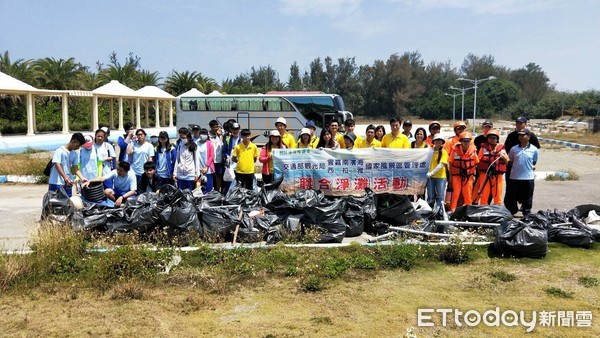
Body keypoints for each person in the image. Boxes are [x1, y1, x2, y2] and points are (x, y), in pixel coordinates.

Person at [504, 130, 539, 216]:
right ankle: (512, 211)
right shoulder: (514, 149)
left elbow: (534, 162)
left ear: (529, 137)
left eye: (523, 135)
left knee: (527, 197)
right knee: (512, 196)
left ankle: (526, 212)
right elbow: (511, 161)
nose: (521, 137)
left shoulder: (534, 149)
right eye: (519, 135)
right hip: (514, 177)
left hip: (528, 177)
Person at [475, 129, 508, 205]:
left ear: (497, 139)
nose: (492, 139)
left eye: (494, 138)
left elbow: (506, 161)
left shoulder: (502, 149)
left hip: (497, 175)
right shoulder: (483, 149)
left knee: (497, 193)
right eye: (490, 138)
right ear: (487, 139)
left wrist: (503, 156)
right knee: (484, 194)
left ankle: (497, 209)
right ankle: (484, 209)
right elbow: (478, 162)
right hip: (485, 174)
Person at [48, 132, 86, 197]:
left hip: (67, 182)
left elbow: (76, 168)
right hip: (56, 182)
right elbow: (57, 164)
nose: (78, 148)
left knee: (67, 203)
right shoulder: (60, 151)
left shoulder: (75, 153)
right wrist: (64, 177)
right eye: (77, 145)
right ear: (73, 141)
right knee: (54, 202)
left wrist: (82, 178)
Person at [448, 131, 479, 211]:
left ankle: (468, 212)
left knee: (468, 195)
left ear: (470, 141)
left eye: (467, 141)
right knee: (455, 195)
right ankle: (452, 211)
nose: (466, 143)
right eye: (464, 141)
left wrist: (475, 175)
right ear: (460, 141)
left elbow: (476, 163)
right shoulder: (454, 150)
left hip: (468, 177)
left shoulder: (473, 151)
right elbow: (450, 163)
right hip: (456, 176)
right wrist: (450, 177)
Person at [426, 135, 449, 219]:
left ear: (442, 142)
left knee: (440, 196)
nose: (438, 142)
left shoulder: (444, 152)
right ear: (434, 141)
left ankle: (439, 212)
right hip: (430, 177)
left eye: (440, 140)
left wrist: (431, 173)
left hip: (440, 177)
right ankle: (430, 212)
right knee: (430, 196)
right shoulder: (430, 151)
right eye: (436, 140)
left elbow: (441, 164)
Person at [221, 122, 242, 194]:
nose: (235, 131)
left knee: (239, 183)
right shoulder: (228, 140)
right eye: (234, 129)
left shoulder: (243, 140)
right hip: (230, 165)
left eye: (237, 129)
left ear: (239, 129)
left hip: (240, 165)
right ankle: (228, 197)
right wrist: (227, 156)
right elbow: (224, 151)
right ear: (231, 130)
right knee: (229, 183)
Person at [197, 128, 215, 193]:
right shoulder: (196, 143)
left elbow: (211, 156)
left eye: (204, 134)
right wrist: (197, 167)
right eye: (201, 133)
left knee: (208, 186)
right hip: (198, 168)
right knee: (199, 187)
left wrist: (206, 166)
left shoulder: (210, 143)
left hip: (208, 168)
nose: (203, 135)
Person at [209, 120, 224, 193]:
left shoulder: (220, 135)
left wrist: (220, 135)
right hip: (210, 160)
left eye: (217, 127)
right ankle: (211, 189)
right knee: (211, 175)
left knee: (218, 175)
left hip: (218, 159)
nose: (217, 128)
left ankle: (218, 190)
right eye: (215, 127)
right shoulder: (208, 136)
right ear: (211, 127)